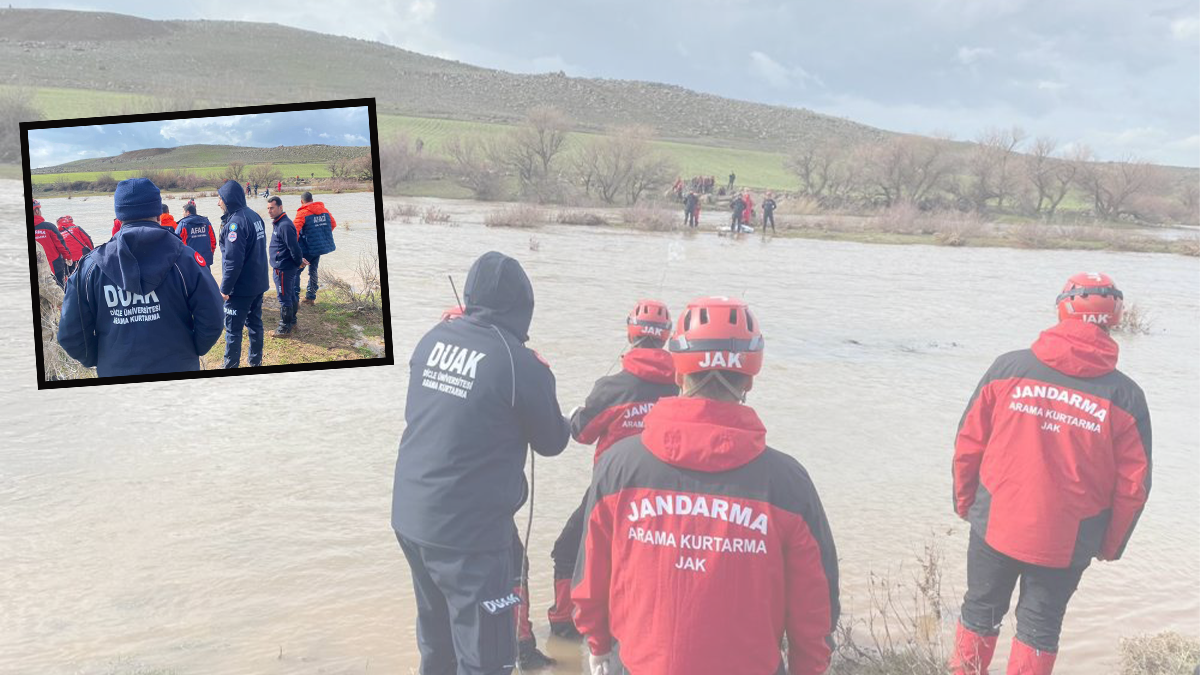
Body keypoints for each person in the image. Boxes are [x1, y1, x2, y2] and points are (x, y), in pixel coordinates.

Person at [572, 296, 840, 675]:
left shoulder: (619, 467)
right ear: (750, 377)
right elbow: (816, 607)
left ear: (678, 373)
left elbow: (589, 580)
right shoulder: (787, 483)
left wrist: (598, 645)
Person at [950, 273, 1151, 675]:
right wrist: (1109, 544)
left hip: (996, 523)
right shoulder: (1126, 396)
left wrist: (964, 502)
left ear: (1062, 307)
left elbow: (968, 443)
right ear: (1114, 318)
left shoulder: (1009, 367)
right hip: (1069, 541)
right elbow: (1134, 488)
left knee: (980, 611)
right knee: (1040, 627)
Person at [392, 251, 570, 675]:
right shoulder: (520, 363)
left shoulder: (433, 336)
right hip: (469, 538)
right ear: (522, 306)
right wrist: (540, 376)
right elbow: (553, 441)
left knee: (437, 648)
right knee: (487, 662)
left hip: (412, 519)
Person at [546, 299, 678, 640]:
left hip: (611, 490)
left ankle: (564, 623)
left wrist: (577, 413)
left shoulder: (612, 388)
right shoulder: (681, 386)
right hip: (667, 495)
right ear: (665, 338)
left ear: (630, 332)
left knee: (567, 549)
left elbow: (581, 433)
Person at [437, 302, 557, 669]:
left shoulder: (437, 366)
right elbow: (549, 438)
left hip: (438, 510)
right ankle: (517, 647)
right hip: (481, 514)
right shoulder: (494, 366)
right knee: (510, 570)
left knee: (450, 614)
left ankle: (510, 645)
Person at [56, 178, 223, 377]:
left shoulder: (90, 267)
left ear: (119, 216)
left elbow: (70, 333)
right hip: (179, 365)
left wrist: (101, 357)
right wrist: (192, 349)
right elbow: (213, 318)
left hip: (115, 370)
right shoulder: (186, 259)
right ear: (158, 213)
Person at [216, 179, 270, 368]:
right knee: (255, 324)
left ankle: (230, 367)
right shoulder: (254, 215)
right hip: (258, 282)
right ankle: (256, 362)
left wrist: (225, 289)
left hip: (241, 288)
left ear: (228, 199)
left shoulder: (235, 224)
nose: (218, 203)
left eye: (220, 198)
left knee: (233, 329)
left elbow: (233, 261)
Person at [266, 196, 303, 338]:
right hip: (284, 266)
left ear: (280, 208)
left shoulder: (285, 225)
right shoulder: (279, 222)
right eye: (268, 208)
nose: (269, 211)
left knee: (284, 297)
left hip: (283, 268)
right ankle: (292, 321)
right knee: (290, 294)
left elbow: (294, 247)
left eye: (272, 208)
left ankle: (284, 328)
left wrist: (297, 262)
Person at [294, 191, 337, 305]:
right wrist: (319, 237)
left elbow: (295, 231)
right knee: (313, 270)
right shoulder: (325, 210)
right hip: (317, 248)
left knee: (296, 271)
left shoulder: (302, 213)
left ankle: (295, 299)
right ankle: (311, 297)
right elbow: (333, 224)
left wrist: (293, 247)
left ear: (301, 201)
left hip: (306, 249)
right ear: (312, 200)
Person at [31, 198, 73, 288]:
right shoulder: (49, 227)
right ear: (37, 211)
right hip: (54, 266)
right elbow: (60, 245)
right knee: (60, 291)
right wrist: (68, 257)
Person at [176, 201, 218, 268]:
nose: (182, 214)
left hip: (189, 260)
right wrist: (210, 253)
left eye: (183, 211)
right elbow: (213, 241)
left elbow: (176, 242)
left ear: (188, 212)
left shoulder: (183, 224)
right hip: (205, 260)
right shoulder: (206, 222)